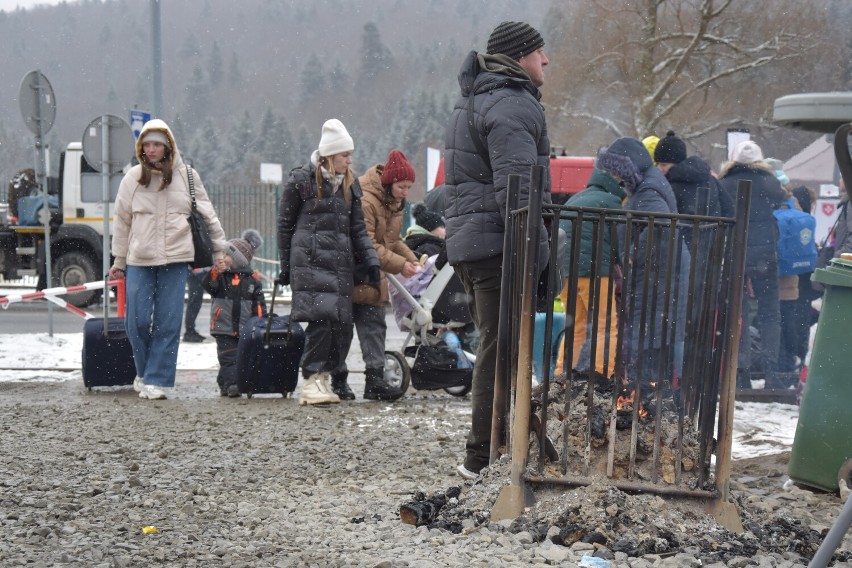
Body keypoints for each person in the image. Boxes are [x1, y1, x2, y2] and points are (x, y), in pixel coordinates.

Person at [443, 21, 552, 480]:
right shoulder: (511, 103)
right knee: (499, 345)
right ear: (521, 56)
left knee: (497, 342)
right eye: (541, 52)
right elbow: (519, 191)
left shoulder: (478, 99)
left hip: (474, 243)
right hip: (499, 245)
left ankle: (501, 442)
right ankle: (483, 454)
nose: (547, 61)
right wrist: (540, 257)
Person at [108, 119, 226, 400]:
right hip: (139, 260)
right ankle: (145, 371)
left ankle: (158, 380)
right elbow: (122, 222)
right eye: (147, 144)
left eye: (157, 144)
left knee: (169, 322)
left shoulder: (187, 176)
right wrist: (119, 260)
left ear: (168, 147)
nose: (151, 149)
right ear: (141, 148)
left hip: (176, 259)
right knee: (135, 322)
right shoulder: (132, 179)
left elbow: (208, 214)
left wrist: (221, 251)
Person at [277, 118, 380, 406]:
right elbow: (285, 226)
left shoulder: (350, 187)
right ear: (329, 156)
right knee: (322, 322)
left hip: (338, 264)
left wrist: (371, 261)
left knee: (341, 327)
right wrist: (286, 266)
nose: (350, 160)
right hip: (310, 262)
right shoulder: (301, 182)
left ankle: (322, 377)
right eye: (345, 154)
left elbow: (358, 229)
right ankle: (310, 380)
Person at [610, 137, 690, 391]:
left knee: (651, 341)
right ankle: (652, 396)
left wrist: (635, 253)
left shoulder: (647, 188)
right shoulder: (648, 183)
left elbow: (661, 223)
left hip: (657, 278)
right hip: (659, 275)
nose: (613, 176)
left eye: (615, 170)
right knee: (655, 339)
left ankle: (648, 398)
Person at [342, 149, 421, 401]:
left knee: (375, 327)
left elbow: (393, 239)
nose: (406, 192)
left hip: (375, 275)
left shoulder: (394, 203)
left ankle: (374, 380)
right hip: (354, 273)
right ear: (389, 183)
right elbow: (366, 242)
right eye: (402, 186)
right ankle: (338, 380)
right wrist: (400, 264)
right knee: (342, 332)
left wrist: (411, 259)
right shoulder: (367, 200)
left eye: (409, 187)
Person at [554, 145, 632, 378]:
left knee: (574, 326)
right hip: (596, 273)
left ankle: (561, 373)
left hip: (566, 272)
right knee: (605, 327)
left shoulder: (575, 198)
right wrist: (623, 261)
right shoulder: (612, 204)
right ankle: (603, 375)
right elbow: (619, 242)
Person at [718, 140, 787, 389]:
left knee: (738, 313)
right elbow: (781, 198)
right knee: (770, 312)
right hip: (765, 256)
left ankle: (741, 372)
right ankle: (771, 372)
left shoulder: (724, 184)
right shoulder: (769, 182)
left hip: (735, 253)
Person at [203, 229, 266, 397]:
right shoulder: (221, 278)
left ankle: (225, 382)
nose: (222, 258)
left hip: (244, 328)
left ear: (238, 260)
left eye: (226, 255)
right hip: (223, 327)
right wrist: (215, 271)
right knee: (228, 357)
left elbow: (259, 304)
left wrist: (260, 321)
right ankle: (232, 384)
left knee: (238, 358)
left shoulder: (253, 282)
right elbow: (209, 285)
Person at [779, 185, 820, 374]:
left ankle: (787, 358)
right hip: (803, 272)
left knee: (787, 318)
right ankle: (799, 356)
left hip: (786, 272)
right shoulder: (803, 217)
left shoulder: (784, 211)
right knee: (800, 318)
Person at [183, 267, 207, 342]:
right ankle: (189, 332)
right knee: (195, 301)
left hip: (200, 270)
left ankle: (190, 331)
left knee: (195, 301)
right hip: (197, 270)